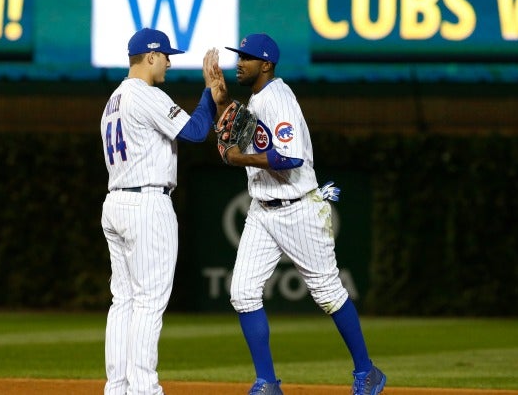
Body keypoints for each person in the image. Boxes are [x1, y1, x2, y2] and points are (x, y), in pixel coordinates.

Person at [215, 33, 387, 395]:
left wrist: (240, 158)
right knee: (243, 293)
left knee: (327, 293)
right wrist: (219, 100)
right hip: (262, 210)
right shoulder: (257, 97)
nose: (239, 62)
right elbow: (241, 133)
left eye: (247, 57)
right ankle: (267, 383)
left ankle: (367, 372)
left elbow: (290, 157)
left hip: (298, 209)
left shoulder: (278, 98)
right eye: (238, 55)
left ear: (266, 64)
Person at [100, 28, 227, 395]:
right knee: (148, 302)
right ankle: (144, 388)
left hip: (116, 202)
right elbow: (196, 131)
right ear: (150, 56)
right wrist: (207, 91)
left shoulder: (114, 100)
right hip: (146, 204)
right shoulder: (145, 94)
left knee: (122, 301)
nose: (170, 61)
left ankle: (118, 387)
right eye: (166, 55)